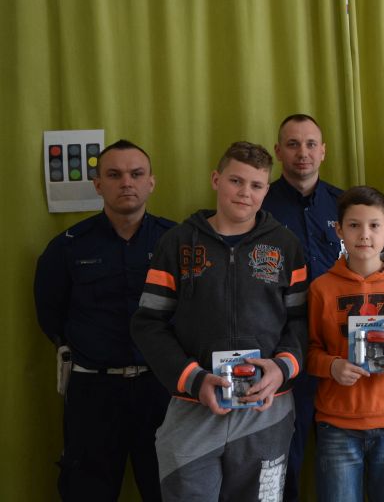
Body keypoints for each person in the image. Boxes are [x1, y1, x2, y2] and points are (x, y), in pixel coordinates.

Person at [131, 142, 308, 501]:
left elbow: (301, 321)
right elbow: (148, 323)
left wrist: (282, 368)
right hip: (194, 408)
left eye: (256, 185)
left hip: (265, 409)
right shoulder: (177, 243)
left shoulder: (286, 246)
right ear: (216, 179)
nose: (245, 193)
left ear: (267, 190)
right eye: (235, 181)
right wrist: (192, 379)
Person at [34, 139, 175, 501]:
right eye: (114, 175)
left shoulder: (176, 243)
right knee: (86, 492)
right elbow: (50, 314)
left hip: (161, 391)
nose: (126, 182)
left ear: (151, 182)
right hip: (93, 393)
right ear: (98, 184)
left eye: (136, 174)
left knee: (168, 491)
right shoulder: (67, 247)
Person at [306, 186, 384, 502]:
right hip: (337, 426)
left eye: (374, 225)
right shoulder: (321, 289)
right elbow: (309, 352)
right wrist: (332, 366)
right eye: (354, 225)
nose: (364, 234)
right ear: (339, 230)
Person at [262, 113, 343, 500]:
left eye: (311, 144)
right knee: (283, 459)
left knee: (339, 460)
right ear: (278, 152)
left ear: (323, 151)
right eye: (293, 144)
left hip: (338, 348)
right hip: (281, 348)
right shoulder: (259, 204)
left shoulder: (344, 204)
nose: (303, 152)